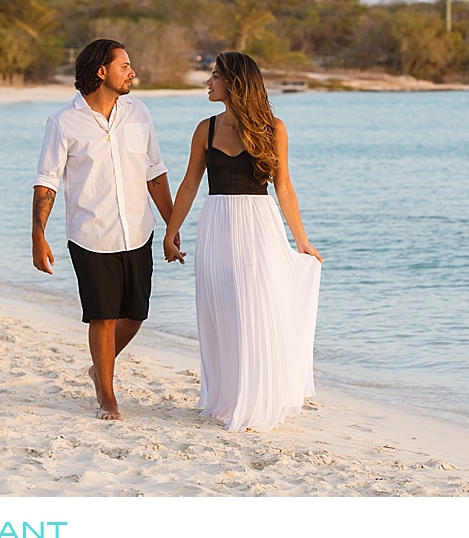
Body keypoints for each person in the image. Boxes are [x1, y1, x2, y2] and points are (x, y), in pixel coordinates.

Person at [163, 52, 322, 432]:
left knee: (255, 309)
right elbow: (189, 184)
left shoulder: (273, 128)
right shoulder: (205, 129)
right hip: (216, 225)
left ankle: (257, 398)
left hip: (258, 226)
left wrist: (301, 240)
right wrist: (170, 232)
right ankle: (229, 398)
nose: (208, 82)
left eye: (215, 76)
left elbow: (284, 187)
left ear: (234, 83)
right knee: (222, 311)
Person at [32, 38, 178, 421]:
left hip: (138, 230)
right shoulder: (63, 122)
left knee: (136, 314)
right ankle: (107, 397)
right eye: (124, 66)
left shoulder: (139, 111)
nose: (133, 72)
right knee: (103, 317)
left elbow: (155, 172)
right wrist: (38, 235)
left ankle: (100, 367)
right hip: (90, 234)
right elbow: (47, 182)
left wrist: (172, 224)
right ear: (102, 71)